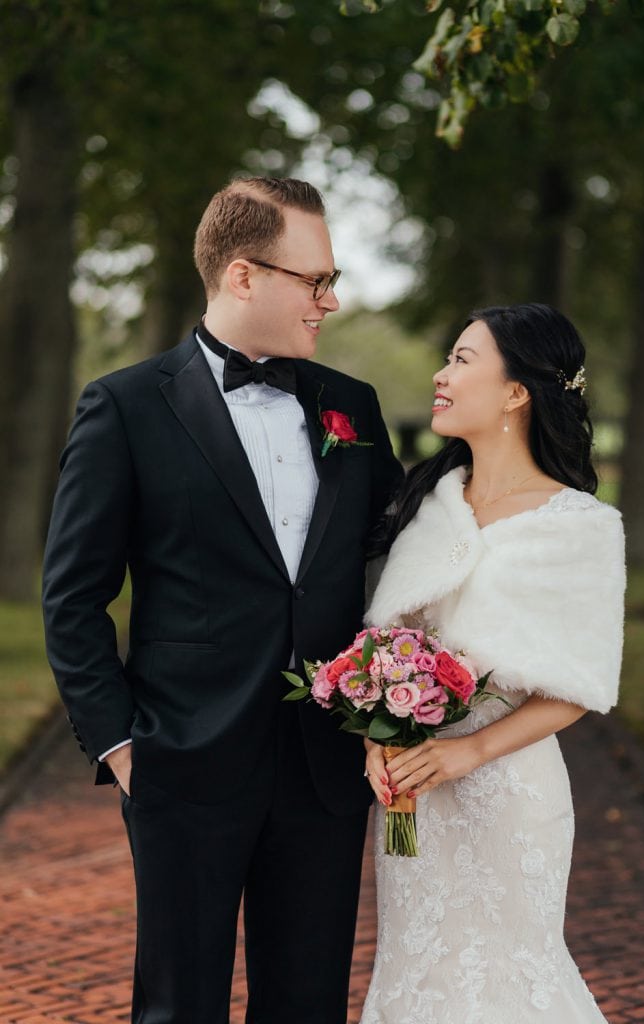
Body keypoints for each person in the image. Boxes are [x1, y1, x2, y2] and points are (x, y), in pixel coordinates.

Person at [42, 176, 403, 1024]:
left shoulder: (352, 406)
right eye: (313, 280)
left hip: (323, 764)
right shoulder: (124, 407)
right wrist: (123, 747)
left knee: (308, 1002)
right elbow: (72, 596)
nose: (331, 299)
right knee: (179, 1004)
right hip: (182, 760)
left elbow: (391, 555)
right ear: (242, 275)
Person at [361, 303, 625, 1023]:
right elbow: (386, 650)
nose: (441, 376)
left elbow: (578, 686)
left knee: (509, 970)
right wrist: (376, 737)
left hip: (508, 790)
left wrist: (468, 750)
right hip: (410, 800)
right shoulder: (428, 505)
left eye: (461, 360)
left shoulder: (581, 527)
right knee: (415, 967)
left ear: (516, 392)